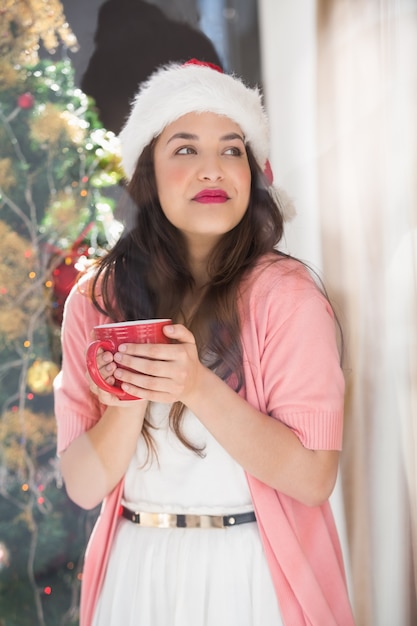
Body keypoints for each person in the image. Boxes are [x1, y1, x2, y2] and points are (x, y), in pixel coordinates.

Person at [54, 59, 356, 626]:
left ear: (252, 171)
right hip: (136, 567)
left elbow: (314, 479)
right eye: (186, 149)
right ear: (148, 172)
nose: (212, 170)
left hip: (250, 573)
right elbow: (84, 486)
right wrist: (127, 401)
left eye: (232, 149)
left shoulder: (286, 298)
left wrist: (196, 385)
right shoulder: (97, 301)